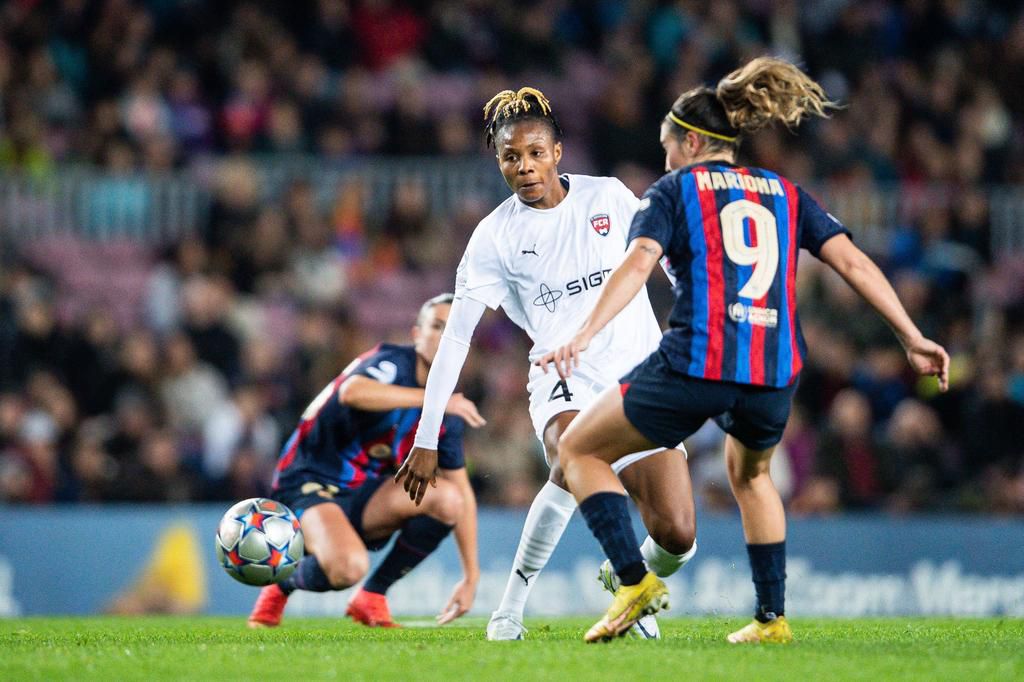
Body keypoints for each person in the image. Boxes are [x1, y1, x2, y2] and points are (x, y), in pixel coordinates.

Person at [536, 57, 950, 643]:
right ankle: (771, 620)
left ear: (694, 141)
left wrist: (582, 333)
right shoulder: (785, 191)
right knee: (752, 476)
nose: (666, 158)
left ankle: (634, 582)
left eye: (669, 145)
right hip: (774, 369)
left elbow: (638, 265)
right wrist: (911, 335)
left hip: (699, 358)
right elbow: (853, 262)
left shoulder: (674, 189)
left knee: (578, 449)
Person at [394, 87, 698, 641]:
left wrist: (698, 316)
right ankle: (519, 608)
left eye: (535, 152)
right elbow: (456, 340)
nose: (525, 167)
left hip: (638, 372)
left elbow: (667, 258)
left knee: (679, 535)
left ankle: (625, 575)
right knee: (570, 449)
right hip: (563, 377)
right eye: (511, 157)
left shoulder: (608, 197)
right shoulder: (494, 236)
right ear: (498, 161)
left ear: (558, 151)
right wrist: (427, 435)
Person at [247, 294, 485, 629]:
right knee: (347, 568)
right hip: (307, 482)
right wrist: (434, 401)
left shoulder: (449, 411)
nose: (445, 338)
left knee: (448, 499)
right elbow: (353, 391)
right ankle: (283, 580)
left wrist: (472, 576)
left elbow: (463, 493)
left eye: (454, 330)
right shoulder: (392, 362)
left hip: (365, 494)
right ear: (416, 334)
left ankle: (372, 595)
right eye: (436, 327)